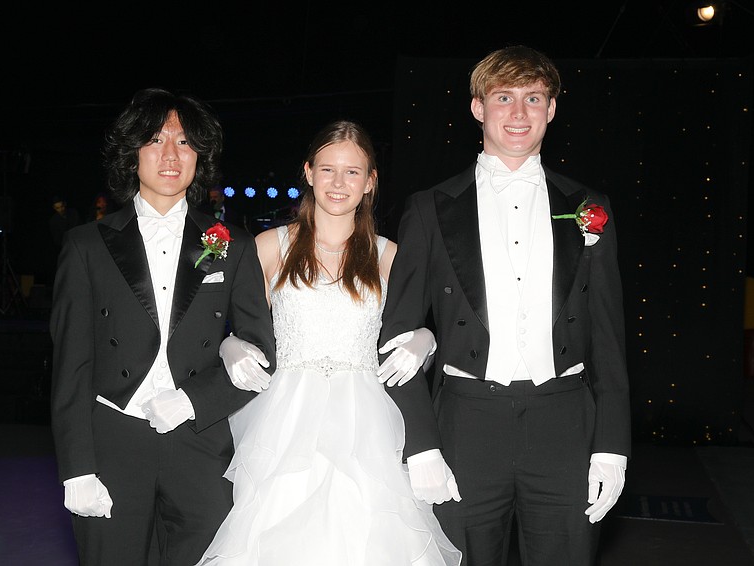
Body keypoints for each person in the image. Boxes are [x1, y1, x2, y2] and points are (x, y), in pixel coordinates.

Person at [378, 45, 631, 566]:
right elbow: (396, 334)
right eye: (503, 98)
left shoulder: (589, 207)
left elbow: (609, 338)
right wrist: (420, 444)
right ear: (478, 108)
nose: (519, 113)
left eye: (533, 98)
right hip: (465, 426)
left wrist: (612, 445)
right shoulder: (429, 208)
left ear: (551, 109)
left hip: (565, 427)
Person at [197, 120, 462, 565]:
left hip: (367, 418)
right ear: (308, 172)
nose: (339, 183)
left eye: (352, 172)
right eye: (328, 169)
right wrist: (229, 347)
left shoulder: (389, 255)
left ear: (370, 181)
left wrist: (426, 338)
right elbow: (230, 325)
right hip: (285, 417)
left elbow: (414, 330)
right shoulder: (269, 246)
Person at [49, 87, 276, 566]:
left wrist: (194, 400)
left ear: (200, 156)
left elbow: (263, 352)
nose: (171, 154)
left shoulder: (229, 243)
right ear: (132, 153)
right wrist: (76, 467)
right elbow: (71, 365)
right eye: (155, 140)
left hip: (199, 442)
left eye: (185, 142)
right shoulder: (87, 244)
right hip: (112, 443)